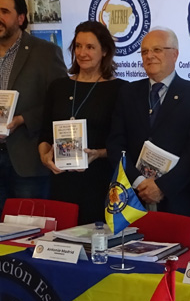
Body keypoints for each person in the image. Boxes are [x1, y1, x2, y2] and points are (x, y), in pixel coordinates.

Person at [0, 0, 67, 220]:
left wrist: (24, 119)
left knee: (28, 229)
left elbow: (60, 102)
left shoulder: (45, 52)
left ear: (21, 18)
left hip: (26, 158)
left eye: (5, 12)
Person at [106, 27, 190, 218]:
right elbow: (115, 144)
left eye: (157, 50)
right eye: (144, 51)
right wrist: (138, 182)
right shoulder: (127, 92)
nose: (149, 56)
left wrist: (162, 187)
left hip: (177, 200)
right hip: (131, 198)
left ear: (175, 54)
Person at [39, 22, 126, 224]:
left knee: (96, 238)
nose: (82, 53)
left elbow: (124, 142)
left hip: (100, 181)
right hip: (61, 181)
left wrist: (98, 153)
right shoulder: (58, 86)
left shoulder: (120, 90)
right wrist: (45, 156)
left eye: (90, 47)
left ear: (104, 51)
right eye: (78, 46)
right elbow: (44, 133)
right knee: (60, 237)